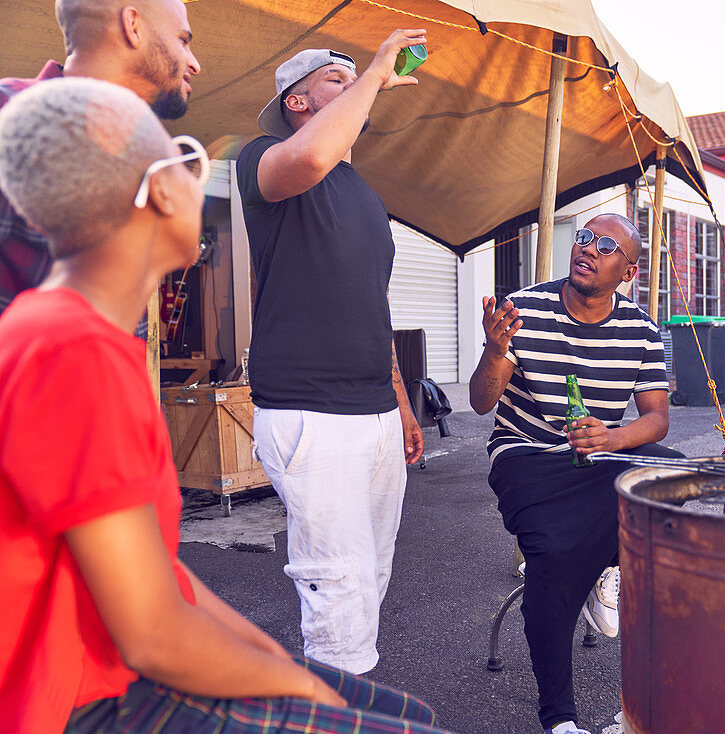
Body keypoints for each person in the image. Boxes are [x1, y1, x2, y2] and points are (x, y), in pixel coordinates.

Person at [0, 77, 452, 734]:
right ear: (155, 190)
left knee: (400, 709)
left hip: (121, 661)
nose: (203, 179)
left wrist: (275, 661)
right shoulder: (69, 352)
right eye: (186, 156)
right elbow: (153, 638)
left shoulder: (91, 341)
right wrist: (305, 692)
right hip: (86, 699)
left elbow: (167, 585)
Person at [235, 36, 428, 676]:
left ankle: (347, 699)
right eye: (336, 78)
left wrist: (401, 404)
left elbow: (372, 303)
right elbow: (314, 153)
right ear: (297, 100)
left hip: (373, 410)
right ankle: (338, 711)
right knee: (337, 592)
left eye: (355, 77)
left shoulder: (362, 192)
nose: (355, 84)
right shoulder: (262, 158)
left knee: (368, 579)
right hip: (310, 411)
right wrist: (374, 70)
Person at [470, 213, 683, 734]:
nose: (587, 248)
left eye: (606, 245)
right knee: (554, 555)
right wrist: (495, 350)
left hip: (594, 459)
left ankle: (603, 561)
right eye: (583, 238)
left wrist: (611, 438)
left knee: (674, 474)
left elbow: (656, 419)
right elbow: (480, 404)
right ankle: (561, 721)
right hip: (525, 457)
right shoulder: (523, 308)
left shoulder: (641, 330)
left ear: (629, 271)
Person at [0, 0, 201, 315]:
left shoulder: (146, 153)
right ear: (133, 26)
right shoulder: (6, 111)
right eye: (183, 41)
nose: (194, 64)